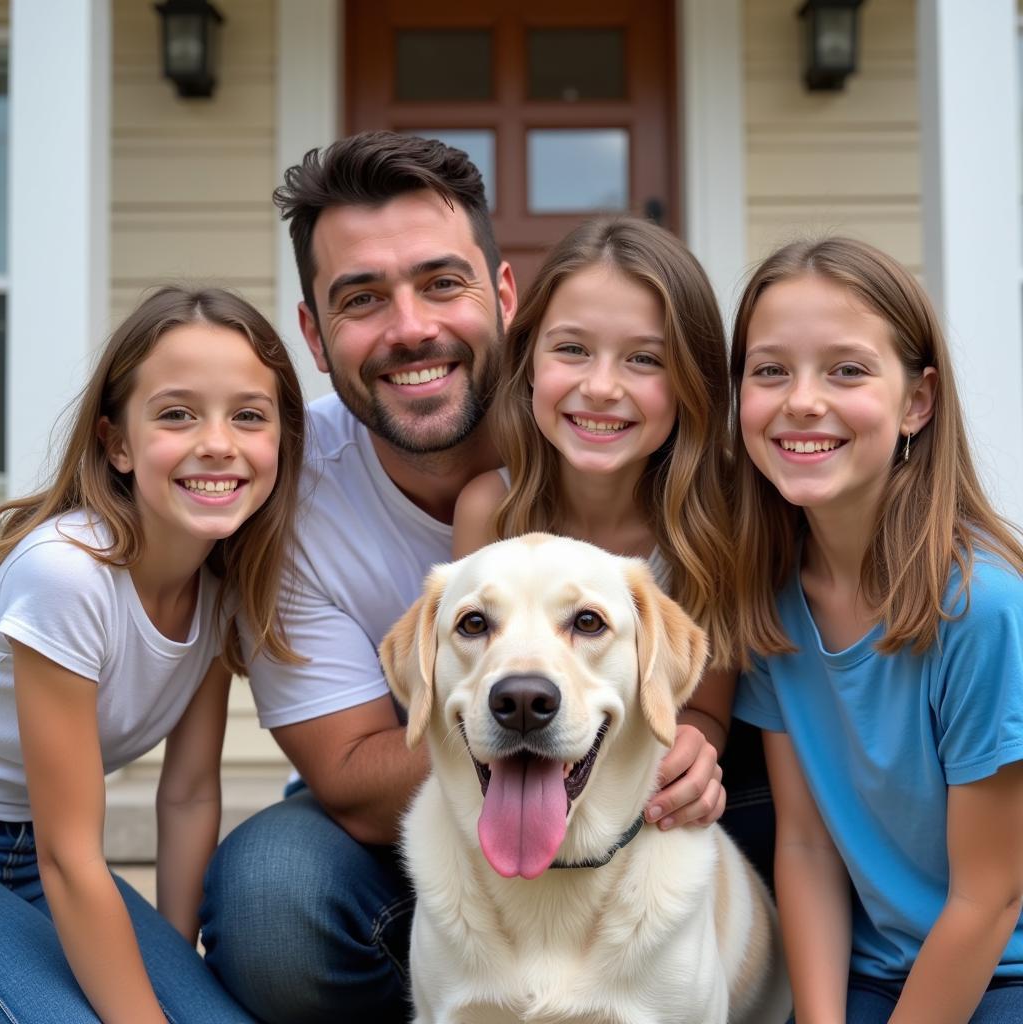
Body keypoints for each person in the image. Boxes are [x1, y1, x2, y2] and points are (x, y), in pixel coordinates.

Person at [199, 131, 738, 1024]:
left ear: (503, 295)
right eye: (362, 298)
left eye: (441, 283)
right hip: (416, 815)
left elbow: (703, 699)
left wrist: (694, 745)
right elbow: (349, 779)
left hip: (625, 796)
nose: (411, 327)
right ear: (314, 333)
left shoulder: (645, 461)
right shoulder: (284, 501)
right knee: (269, 894)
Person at [730, 237, 1023, 1023]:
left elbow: (990, 899)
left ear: (917, 402)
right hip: (862, 970)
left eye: (847, 370)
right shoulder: (770, 600)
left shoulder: (984, 609)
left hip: (998, 970)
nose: (801, 400)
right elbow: (807, 845)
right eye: (769, 371)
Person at [0, 286, 305, 1023]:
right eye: (177, 414)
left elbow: (190, 791)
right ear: (117, 443)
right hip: (54, 856)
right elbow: (73, 860)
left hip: (41, 855)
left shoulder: (221, 589)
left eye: (249, 416)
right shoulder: (67, 575)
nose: (217, 442)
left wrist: (173, 966)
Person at [453, 215, 746, 842]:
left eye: (644, 359)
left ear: (691, 382)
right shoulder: (490, 509)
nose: (601, 386)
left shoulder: (716, 518)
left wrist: (697, 746)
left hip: (652, 810)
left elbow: (700, 708)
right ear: (528, 359)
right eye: (572, 349)